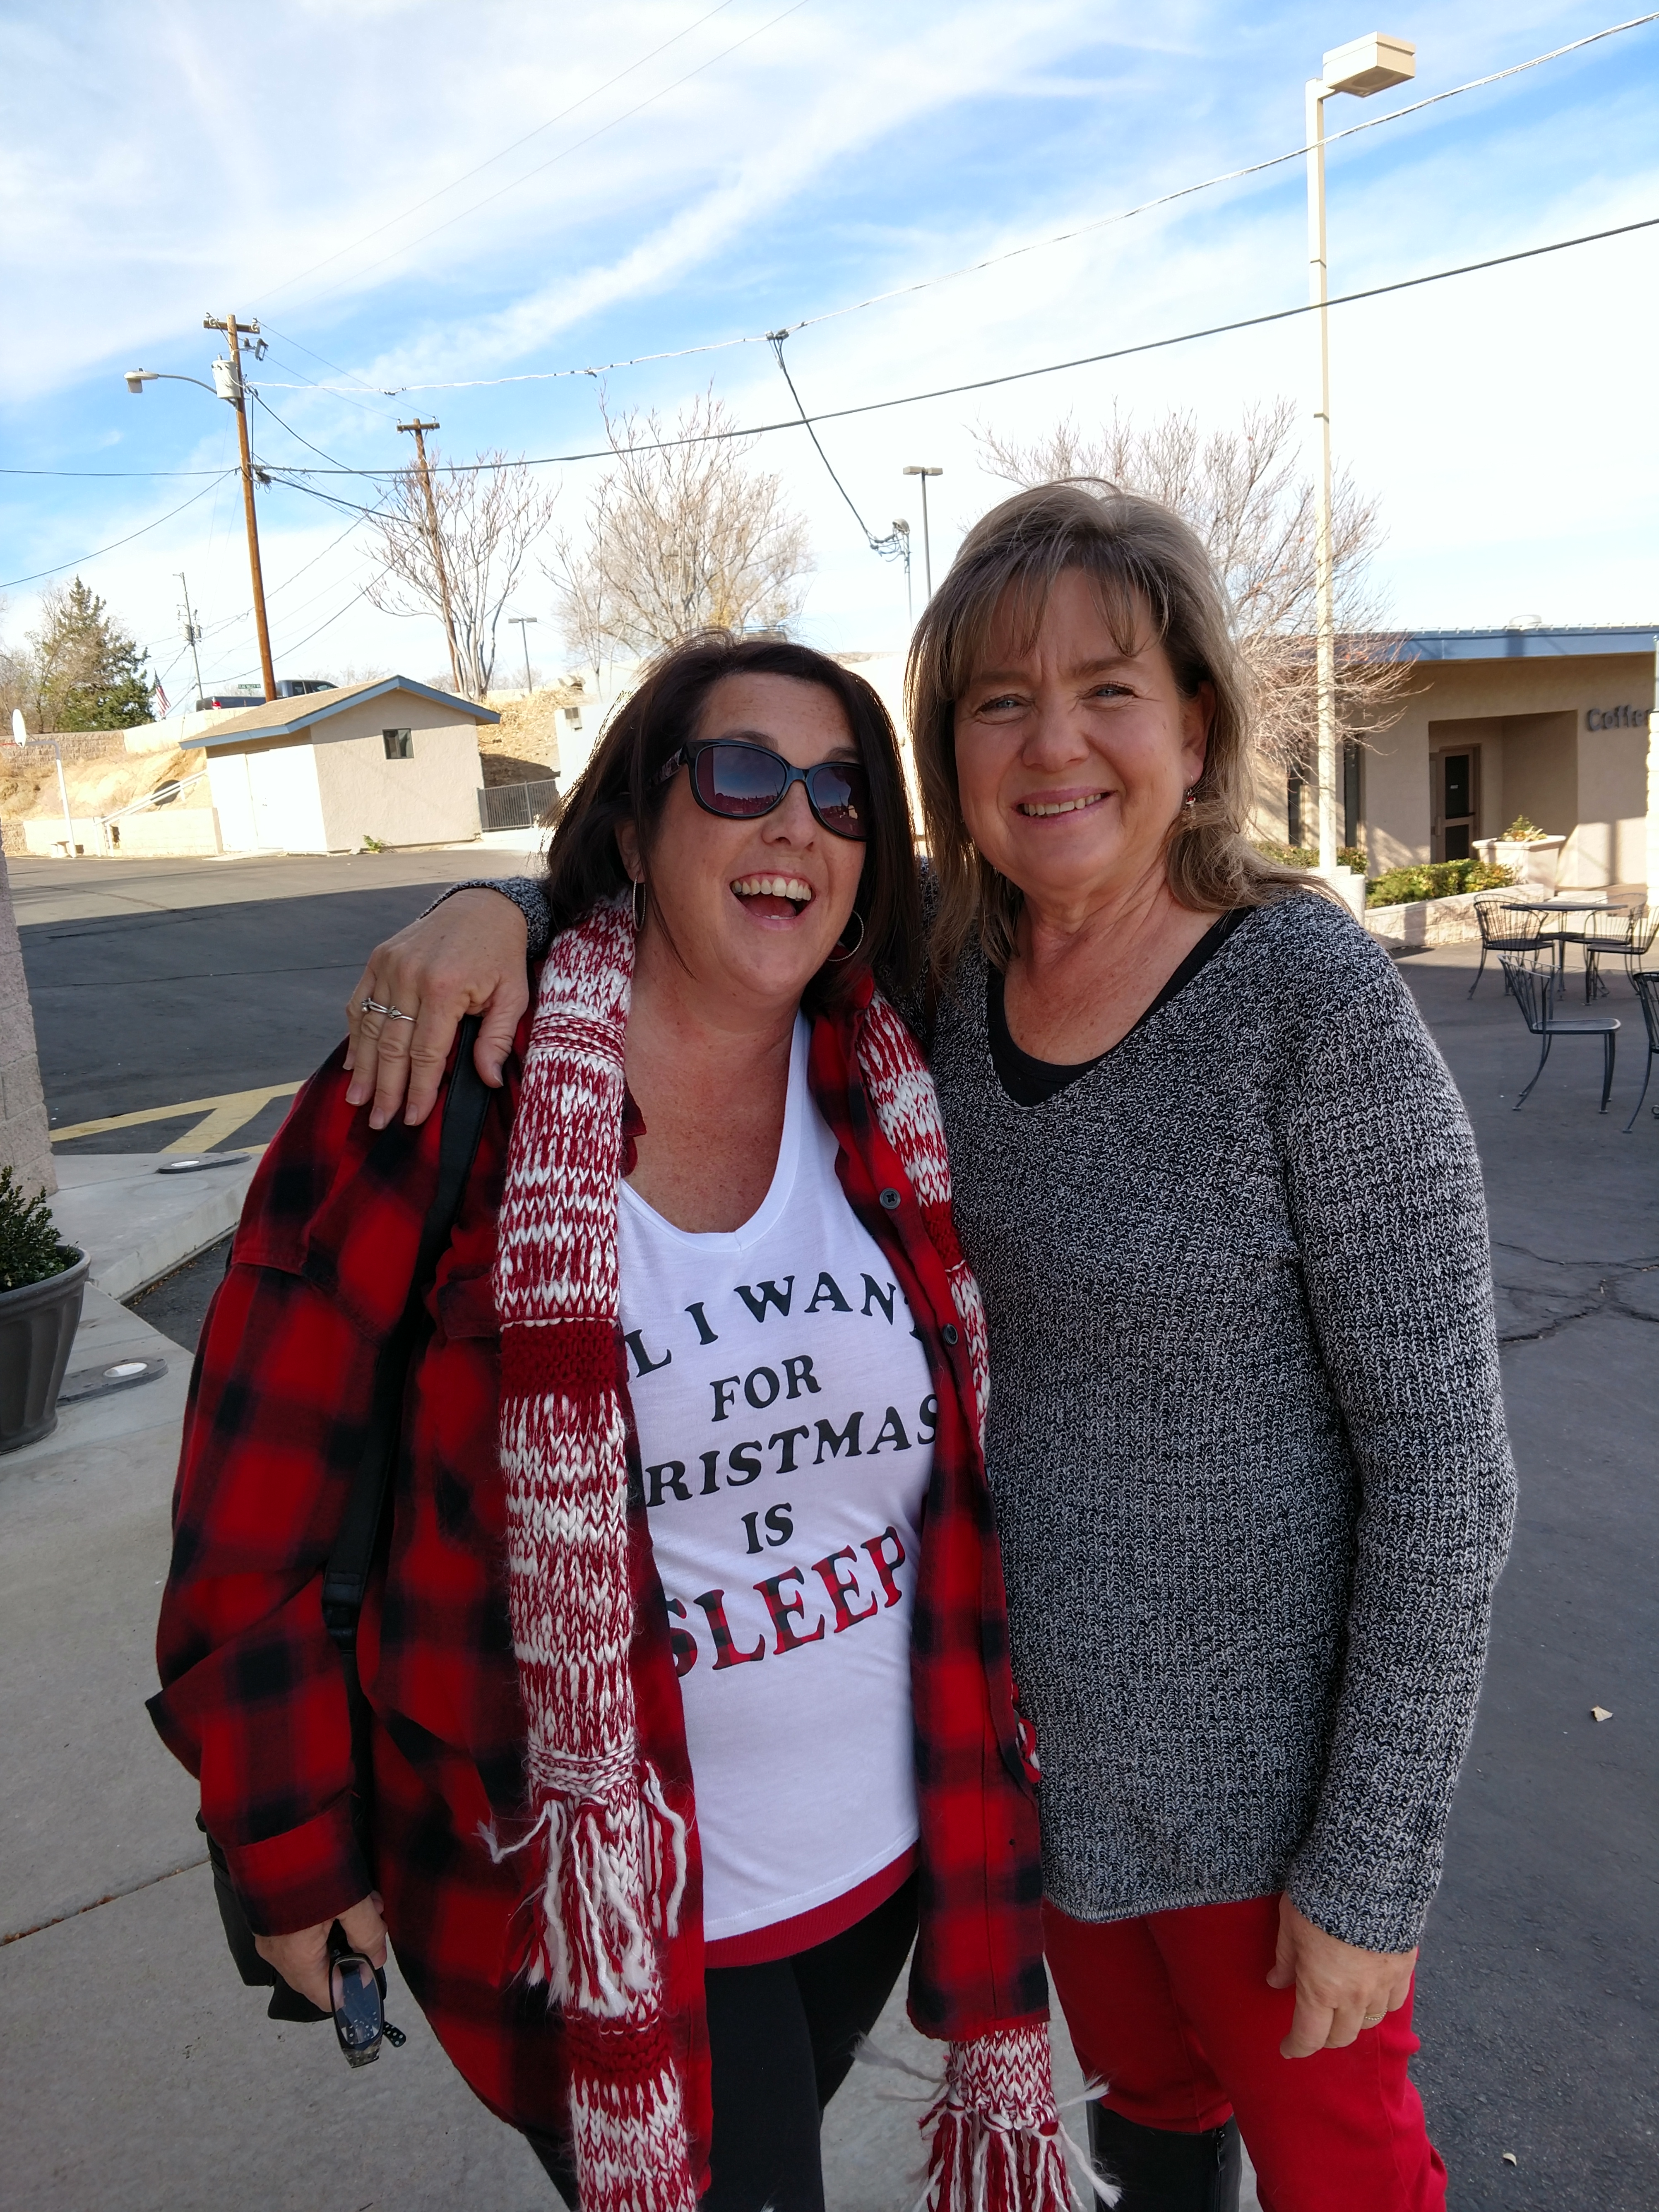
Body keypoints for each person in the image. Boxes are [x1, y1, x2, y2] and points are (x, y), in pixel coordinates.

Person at [344, 485, 1516, 2212]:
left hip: (1272, 1828)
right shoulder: (931, 989)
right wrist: (500, 908)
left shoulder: (1312, 1008)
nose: (1058, 744)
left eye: (1108, 688)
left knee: (1358, 2187)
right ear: (952, 755)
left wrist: (1372, 1868)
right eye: (997, 701)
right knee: (1155, 2143)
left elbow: (1446, 1480)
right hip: (1036, 1806)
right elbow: (715, 898)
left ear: (1194, 725)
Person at [150, 633, 1072, 2212]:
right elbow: (254, 1502)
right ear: (638, 828)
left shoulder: (892, 1080)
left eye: (844, 793)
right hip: (587, 1900)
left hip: (878, 1872)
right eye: (742, 775)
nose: (798, 823)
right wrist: (290, 1847)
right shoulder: (457, 1084)